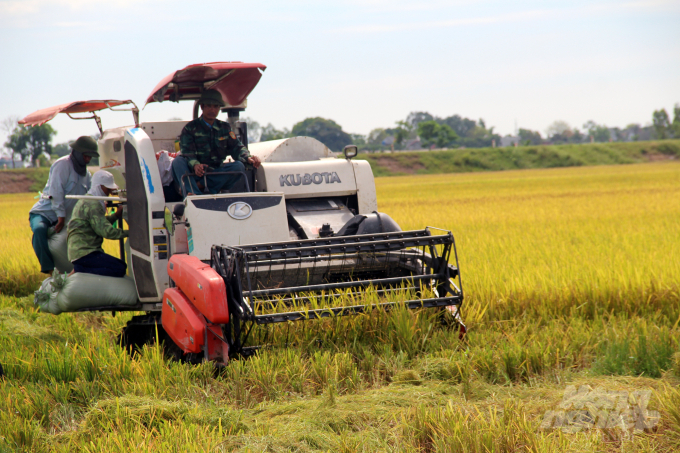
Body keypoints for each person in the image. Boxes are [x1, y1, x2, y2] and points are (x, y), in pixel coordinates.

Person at [171, 89, 261, 197]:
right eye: (209, 106)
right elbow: (187, 152)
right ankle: (194, 193)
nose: (212, 110)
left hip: (216, 174)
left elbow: (237, 147)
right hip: (194, 173)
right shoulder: (190, 128)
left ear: (219, 108)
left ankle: (199, 186)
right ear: (202, 107)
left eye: (216, 106)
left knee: (238, 166)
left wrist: (248, 157)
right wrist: (195, 165)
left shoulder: (225, 128)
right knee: (178, 162)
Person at [28, 136, 97, 274]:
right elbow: (56, 192)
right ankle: (48, 269)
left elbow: (90, 194)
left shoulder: (86, 175)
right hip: (45, 213)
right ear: (77, 153)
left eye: (90, 157)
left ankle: (73, 271)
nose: (88, 160)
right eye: (86, 156)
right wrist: (60, 216)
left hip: (66, 218)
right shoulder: (62, 165)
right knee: (40, 230)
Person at [67, 170, 129, 277]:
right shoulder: (93, 205)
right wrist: (131, 232)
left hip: (79, 252)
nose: (109, 192)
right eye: (107, 189)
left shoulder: (88, 199)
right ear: (99, 187)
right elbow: (106, 232)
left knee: (118, 265)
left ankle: (81, 269)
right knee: (120, 268)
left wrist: (116, 216)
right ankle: (80, 270)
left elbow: (99, 224)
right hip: (86, 253)